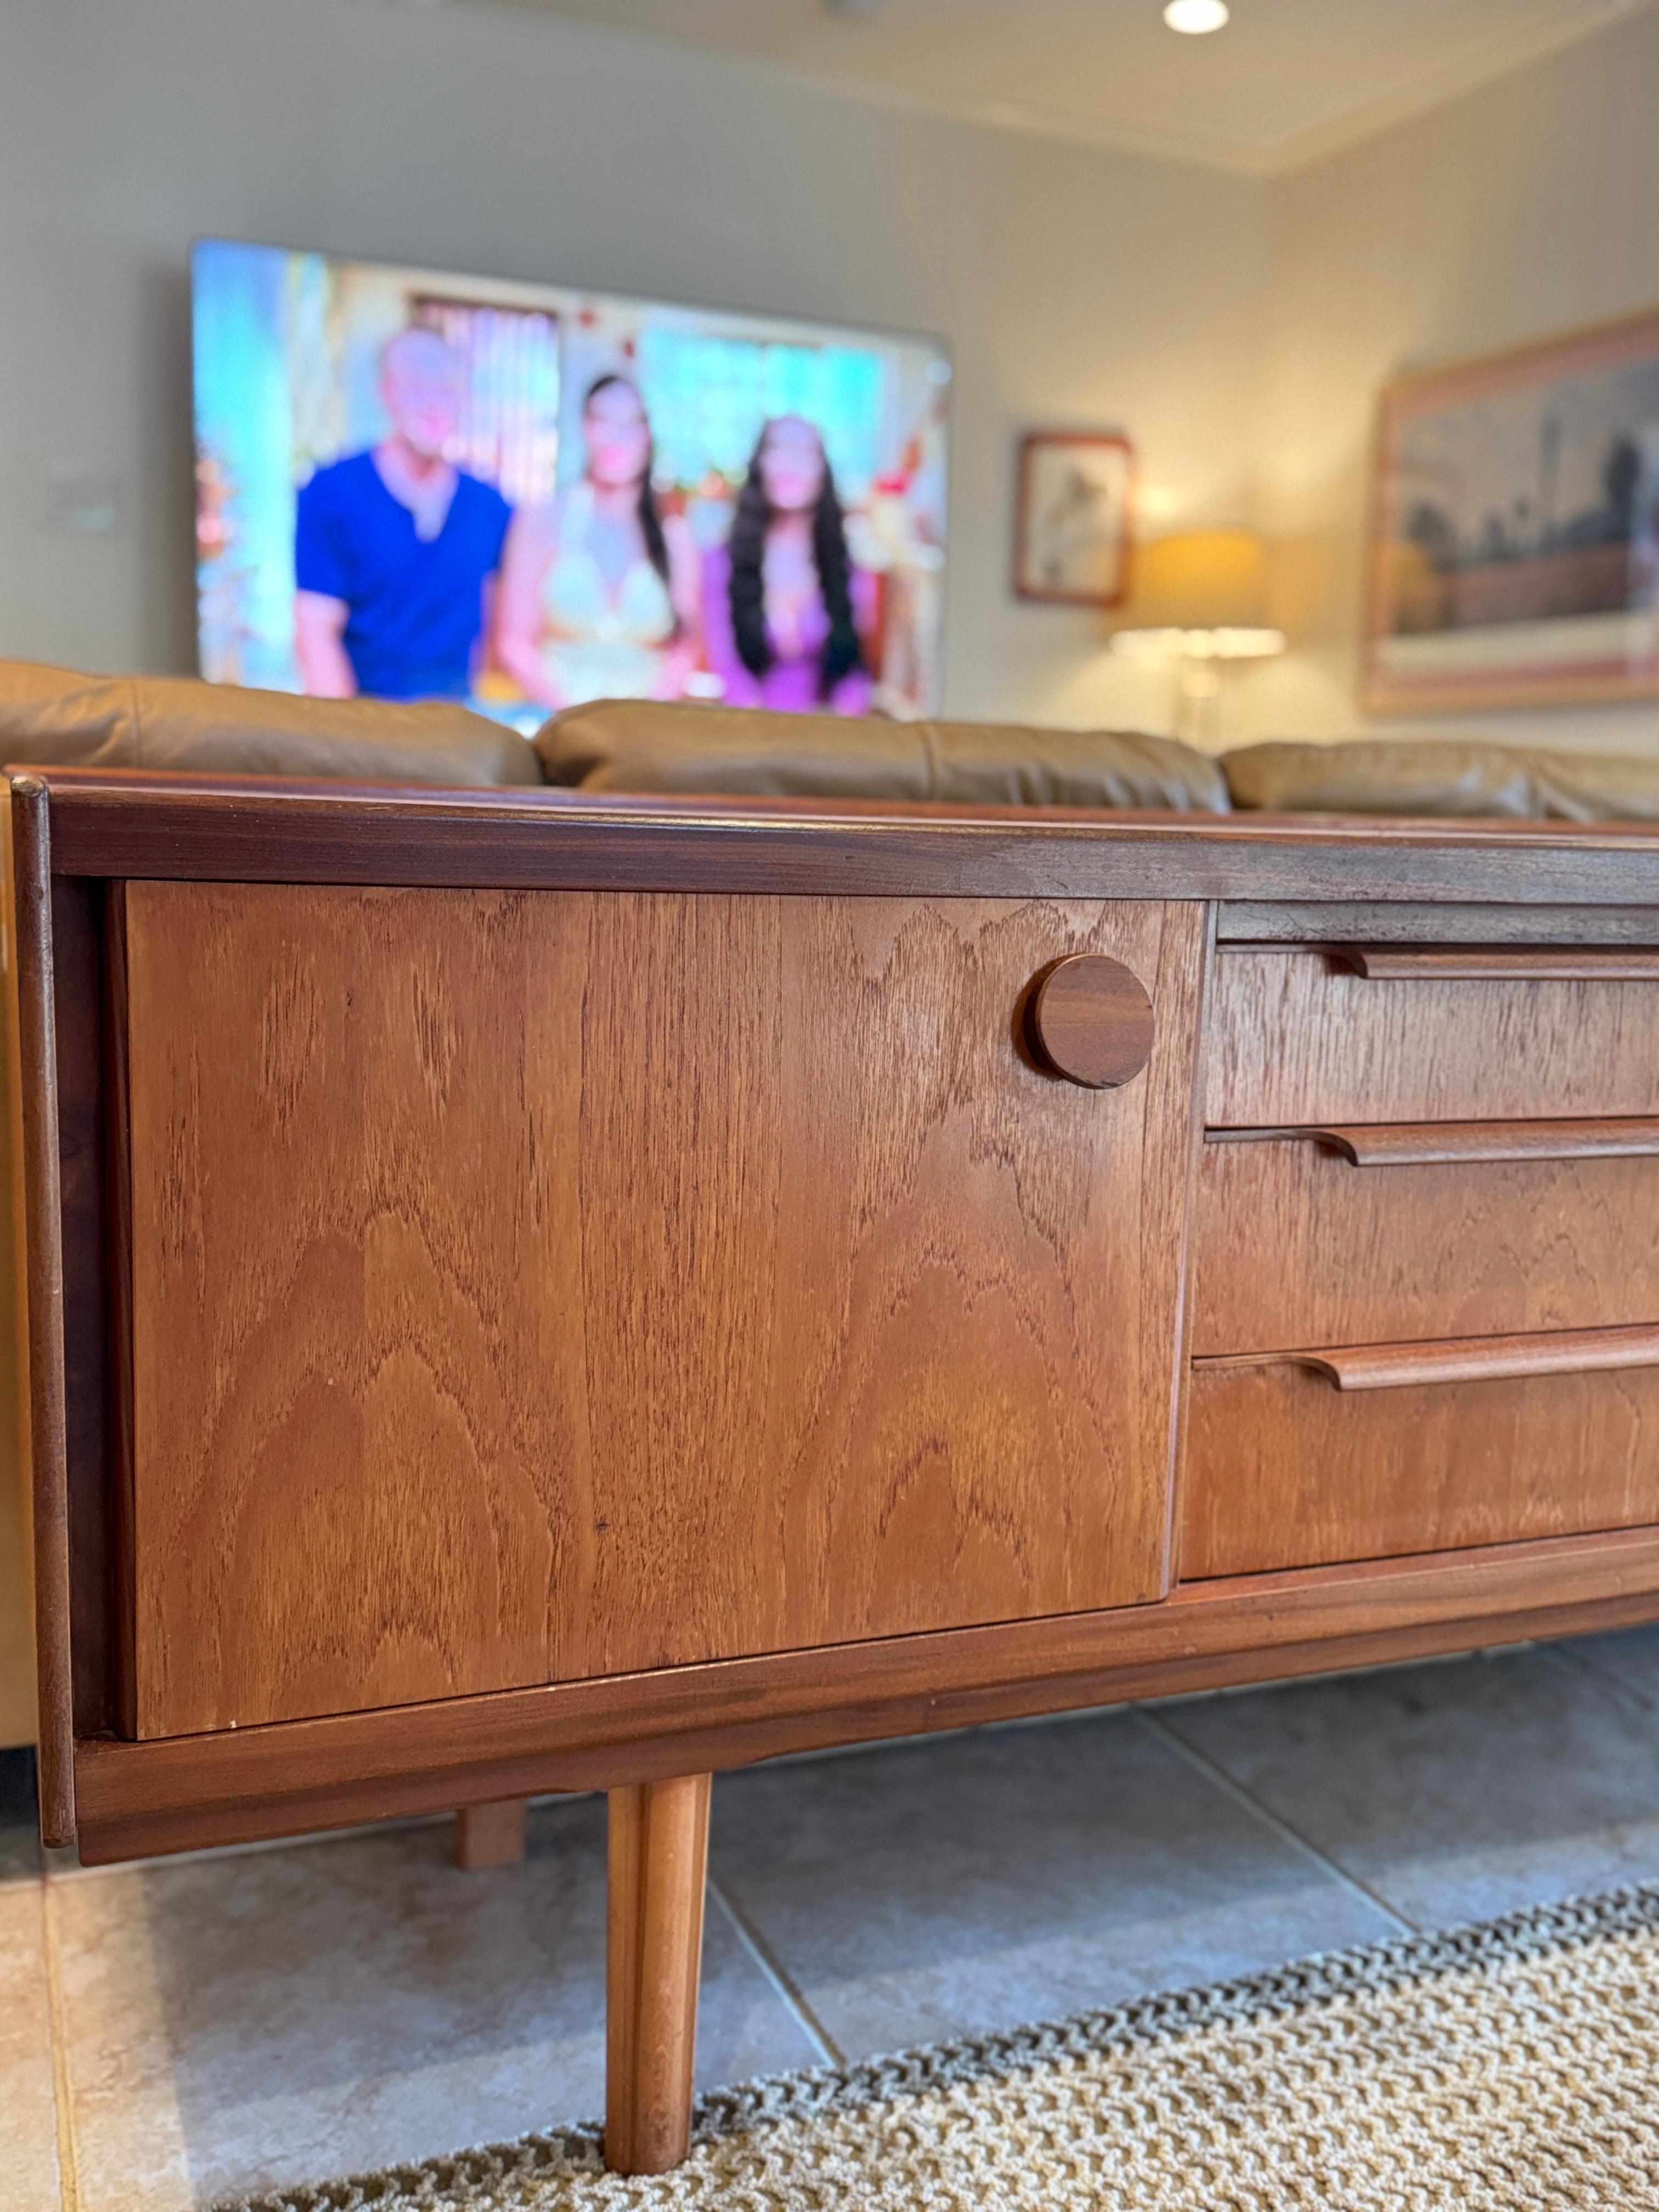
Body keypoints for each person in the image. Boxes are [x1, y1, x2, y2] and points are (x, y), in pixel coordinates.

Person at [293, 327, 511, 701]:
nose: (433, 403)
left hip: (461, 726)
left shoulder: (491, 507)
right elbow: (316, 636)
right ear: (386, 392)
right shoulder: (332, 491)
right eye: (415, 385)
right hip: (366, 721)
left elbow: (497, 638)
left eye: (447, 387)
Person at [494, 374, 700, 708]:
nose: (616, 437)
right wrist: (570, 716)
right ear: (585, 428)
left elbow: (685, 649)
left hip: (645, 727)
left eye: (630, 423)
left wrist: (641, 719)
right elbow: (514, 643)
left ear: (648, 435)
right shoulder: (542, 520)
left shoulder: (674, 536)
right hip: (557, 719)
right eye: (602, 420)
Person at [702, 414, 876, 715]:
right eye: (778, 448)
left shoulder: (850, 571)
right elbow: (729, 671)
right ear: (760, 464)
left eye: (805, 451)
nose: (791, 463)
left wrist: (842, 732)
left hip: (828, 738)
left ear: (824, 469)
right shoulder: (721, 562)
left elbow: (855, 678)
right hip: (749, 734)